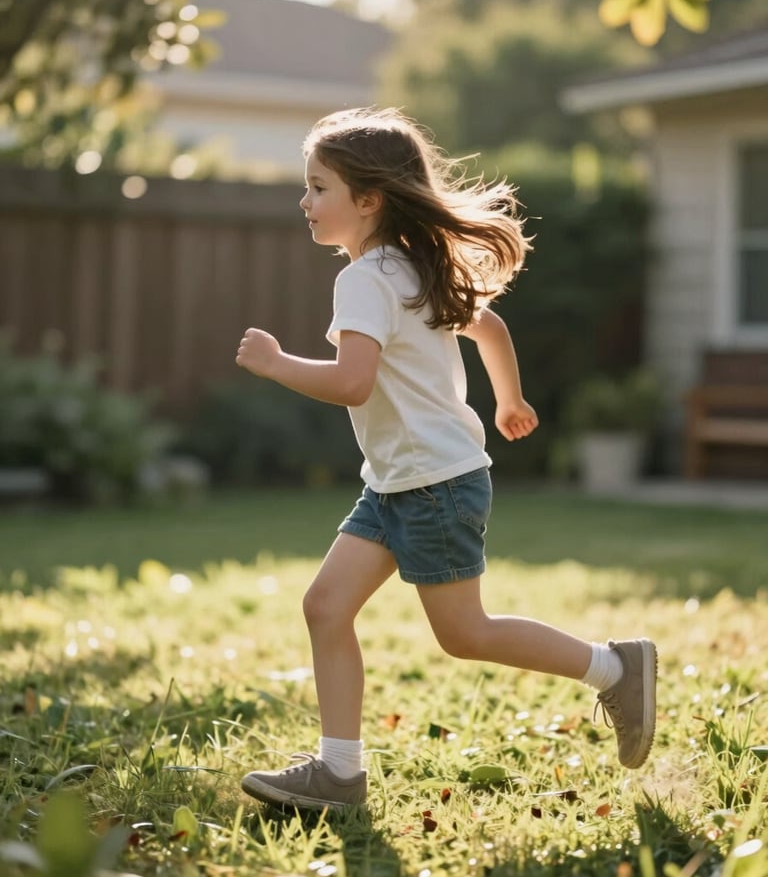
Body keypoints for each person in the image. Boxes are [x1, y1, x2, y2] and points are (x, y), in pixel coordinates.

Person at [235, 107, 656, 811]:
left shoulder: (367, 278)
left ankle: (616, 667)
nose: (304, 202)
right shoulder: (408, 266)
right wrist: (508, 399)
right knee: (326, 606)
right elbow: (487, 324)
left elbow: (351, 382)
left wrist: (277, 363)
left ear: (368, 199)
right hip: (403, 481)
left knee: (466, 633)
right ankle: (340, 773)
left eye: (317, 187)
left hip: (432, 485)